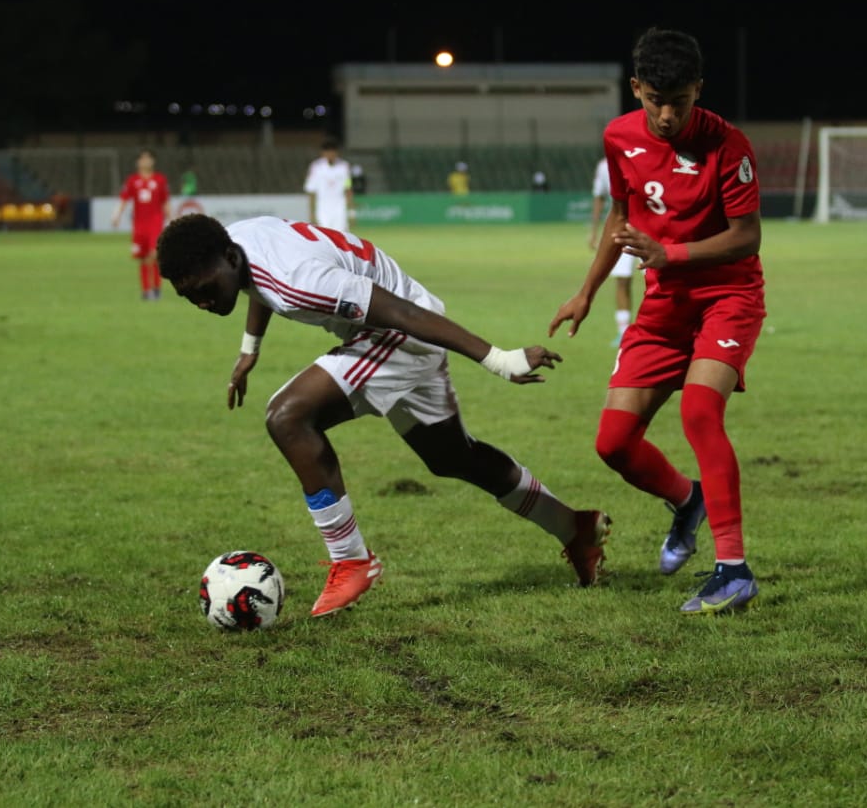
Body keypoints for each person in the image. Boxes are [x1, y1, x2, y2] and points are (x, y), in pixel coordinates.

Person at [157, 213, 611, 618]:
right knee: (452, 457)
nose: (202, 302)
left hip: (399, 330)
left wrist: (498, 359)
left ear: (229, 259)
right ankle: (574, 526)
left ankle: (350, 560)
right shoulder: (237, 241)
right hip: (396, 325)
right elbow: (258, 284)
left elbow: (398, 311)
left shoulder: (298, 278)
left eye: (205, 289)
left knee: (287, 416)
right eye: (189, 296)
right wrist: (249, 349)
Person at [548, 27, 764, 615]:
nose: (668, 116)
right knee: (614, 442)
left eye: (681, 102)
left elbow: (747, 236)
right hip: (664, 304)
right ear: (637, 88)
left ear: (699, 89)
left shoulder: (729, 145)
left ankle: (733, 571)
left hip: (728, 296)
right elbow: (620, 219)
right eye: (656, 101)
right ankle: (687, 500)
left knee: (700, 411)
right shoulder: (619, 137)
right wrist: (586, 292)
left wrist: (673, 254)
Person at [589, 155, 639, 347]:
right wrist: (594, 231)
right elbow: (599, 197)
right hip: (621, 227)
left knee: (657, 280)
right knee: (622, 279)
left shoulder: (644, 156)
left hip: (649, 228)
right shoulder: (604, 166)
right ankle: (623, 331)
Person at [112, 149, 172, 300]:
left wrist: (172, 219)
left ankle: (156, 288)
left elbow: (165, 201)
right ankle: (146, 290)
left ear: (153, 161)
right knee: (144, 257)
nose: (145, 162)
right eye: (142, 159)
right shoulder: (132, 181)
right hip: (139, 224)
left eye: (148, 158)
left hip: (155, 222)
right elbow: (124, 199)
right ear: (137, 162)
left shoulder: (160, 180)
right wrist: (116, 215)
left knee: (154, 254)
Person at [303, 138, 354, 232]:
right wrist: (312, 213)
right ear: (323, 153)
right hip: (322, 208)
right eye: (328, 152)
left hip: (340, 208)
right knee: (324, 235)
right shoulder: (316, 167)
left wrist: (351, 212)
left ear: (337, 152)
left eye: (333, 151)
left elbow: (348, 187)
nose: (330, 154)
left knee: (341, 235)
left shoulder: (344, 166)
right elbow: (311, 191)